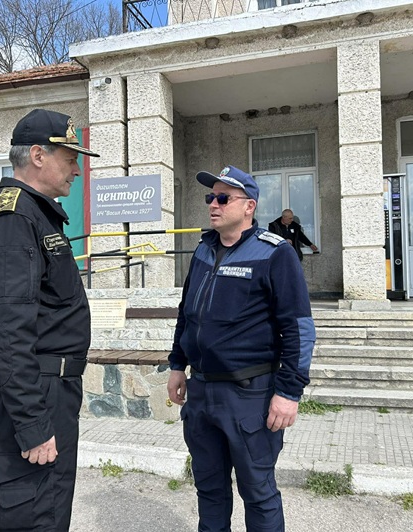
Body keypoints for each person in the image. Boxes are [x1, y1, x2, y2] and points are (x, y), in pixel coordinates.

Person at [0, 108, 100, 531]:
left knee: (49, 509)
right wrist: (33, 423)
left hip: (47, 388)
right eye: (70, 158)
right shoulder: (14, 219)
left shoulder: (35, 215)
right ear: (38, 155)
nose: (77, 169)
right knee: (33, 514)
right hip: (34, 391)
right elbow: (6, 329)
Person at [167, 165, 316, 531]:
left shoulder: (275, 253)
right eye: (210, 197)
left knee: (258, 492)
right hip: (202, 393)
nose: (213, 204)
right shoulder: (203, 250)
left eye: (223, 198)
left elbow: (298, 328)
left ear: (249, 206)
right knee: (209, 490)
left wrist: (289, 392)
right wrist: (177, 364)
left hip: (250, 395)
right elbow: (187, 313)